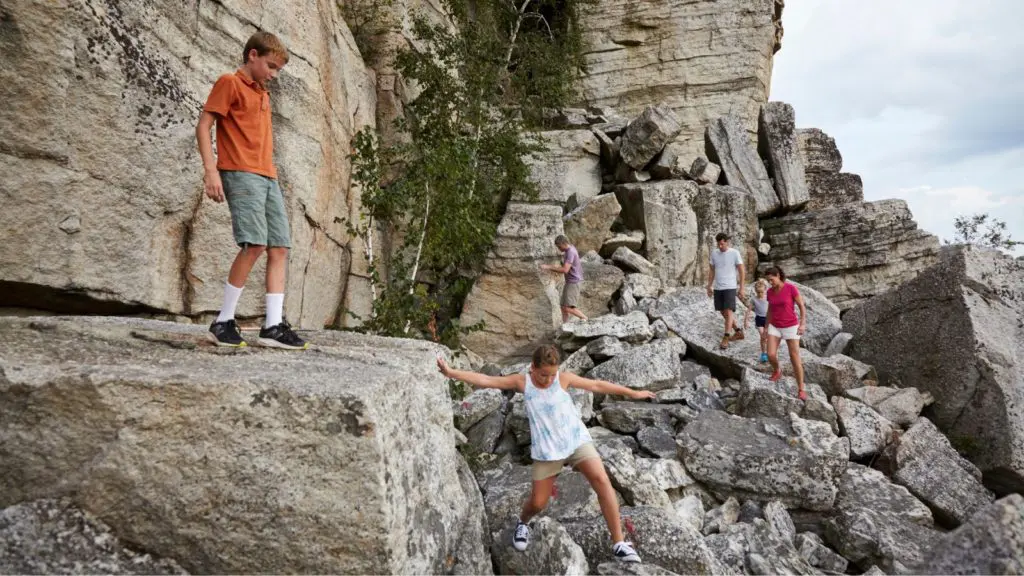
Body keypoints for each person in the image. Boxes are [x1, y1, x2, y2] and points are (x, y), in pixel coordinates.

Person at [437, 345, 654, 563]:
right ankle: (523, 523)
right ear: (533, 367)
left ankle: (619, 543)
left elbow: (597, 385)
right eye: (543, 375)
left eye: (552, 374)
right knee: (538, 503)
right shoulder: (522, 382)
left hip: (576, 440)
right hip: (547, 451)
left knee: (602, 480)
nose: (549, 380)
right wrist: (451, 372)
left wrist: (633, 393)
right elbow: (486, 380)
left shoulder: (563, 378)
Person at [196, 31, 307, 350]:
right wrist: (211, 170)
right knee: (254, 243)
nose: (274, 75)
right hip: (241, 173)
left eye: (278, 70)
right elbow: (204, 125)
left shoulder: (262, 94)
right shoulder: (229, 83)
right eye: (271, 66)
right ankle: (223, 321)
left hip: (268, 176)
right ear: (253, 55)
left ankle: (272, 326)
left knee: (279, 247)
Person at [763, 266, 808, 400]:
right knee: (770, 354)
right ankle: (777, 370)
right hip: (775, 326)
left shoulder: (791, 288)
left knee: (794, 357)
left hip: (791, 326)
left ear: (778, 275)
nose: (770, 282)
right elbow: (770, 310)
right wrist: (766, 327)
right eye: (768, 280)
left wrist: (802, 323)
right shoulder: (770, 292)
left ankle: (801, 389)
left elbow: (801, 306)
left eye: (771, 279)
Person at [706, 232, 745, 349]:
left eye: (722, 244)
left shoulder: (734, 253)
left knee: (728, 311)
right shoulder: (714, 253)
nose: (720, 246)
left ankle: (726, 337)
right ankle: (738, 331)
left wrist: (742, 288)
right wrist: (709, 286)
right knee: (723, 312)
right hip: (718, 287)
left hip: (730, 286)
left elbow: (741, 271)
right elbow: (712, 271)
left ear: (727, 242)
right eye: (718, 244)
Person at [541, 235, 587, 323]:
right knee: (563, 307)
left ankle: (585, 318)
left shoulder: (570, 252)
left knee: (567, 308)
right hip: (570, 281)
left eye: (559, 246)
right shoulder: (569, 249)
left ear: (564, 243)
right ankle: (564, 325)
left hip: (574, 282)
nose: (559, 249)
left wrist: (548, 267)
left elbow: (565, 270)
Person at [744, 278, 770, 363]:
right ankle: (763, 354)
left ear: (765, 290)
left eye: (762, 292)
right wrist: (746, 321)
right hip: (759, 319)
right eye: (758, 292)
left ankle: (769, 352)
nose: (760, 294)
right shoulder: (754, 299)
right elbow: (748, 310)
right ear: (755, 291)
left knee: (768, 337)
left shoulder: (768, 298)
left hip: (768, 320)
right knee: (763, 336)